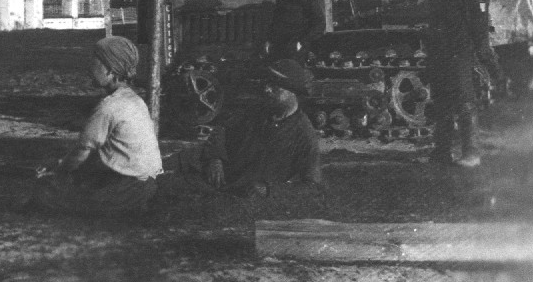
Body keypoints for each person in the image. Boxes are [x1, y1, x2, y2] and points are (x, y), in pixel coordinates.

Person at [27, 36, 163, 216]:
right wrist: (60, 164)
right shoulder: (134, 100)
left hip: (128, 190)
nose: (90, 68)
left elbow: (82, 152)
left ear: (110, 70)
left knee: (45, 191)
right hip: (147, 184)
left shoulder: (109, 107)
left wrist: (57, 173)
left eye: (95, 61)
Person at [180, 59, 322, 196]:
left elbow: (312, 186)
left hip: (243, 192)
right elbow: (222, 128)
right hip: (219, 182)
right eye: (267, 83)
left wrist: (268, 190)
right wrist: (215, 159)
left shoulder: (304, 133)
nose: (266, 89)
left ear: (292, 92)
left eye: (275, 86)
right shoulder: (254, 111)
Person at [425, 0, 496, 167]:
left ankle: (471, 153)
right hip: (440, 56)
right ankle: (442, 152)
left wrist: (483, 53)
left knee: (465, 102)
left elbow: (477, 25)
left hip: (460, 54)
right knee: (442, 105)